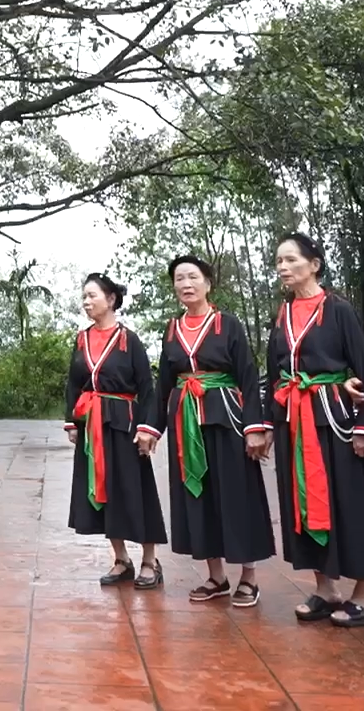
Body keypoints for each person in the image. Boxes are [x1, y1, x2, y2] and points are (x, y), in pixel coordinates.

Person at [265, 233, 364, 626]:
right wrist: (269, 421)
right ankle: (325, 588)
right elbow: (274, 372)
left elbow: (363, 368)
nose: (283, 267)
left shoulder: (338, 309)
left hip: (335, 418)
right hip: (294, 419)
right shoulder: (282, 314)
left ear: (315, 264)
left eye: (291, 259)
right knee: (302, 500)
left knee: (350, 500)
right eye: (279, 261)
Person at [139, 255, 275, 606]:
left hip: (225, 418)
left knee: (236, 495)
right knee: (198, 496)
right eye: (179, 279)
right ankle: (216, 577)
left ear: (208, 283)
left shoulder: (227, 325)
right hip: (185, 422)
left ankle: (248, 577)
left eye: (193, 277)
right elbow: (164, 383)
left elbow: (247, 375)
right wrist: (151, 428)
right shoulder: (172, 329)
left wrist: (254, 427)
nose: (186, 284)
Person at [65, 272, 168, 588]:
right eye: (84, 297)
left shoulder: (128, 340)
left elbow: (147, 387)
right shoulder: (82, 339)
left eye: (92, 296)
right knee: (103, 489)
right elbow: (73, 384)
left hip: (124, 425)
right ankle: (121, 559)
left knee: (134, 489)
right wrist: (72, 422)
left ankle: (150, 560)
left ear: (110, 300)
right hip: (92, 425)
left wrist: (147, 428)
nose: (86, 302)